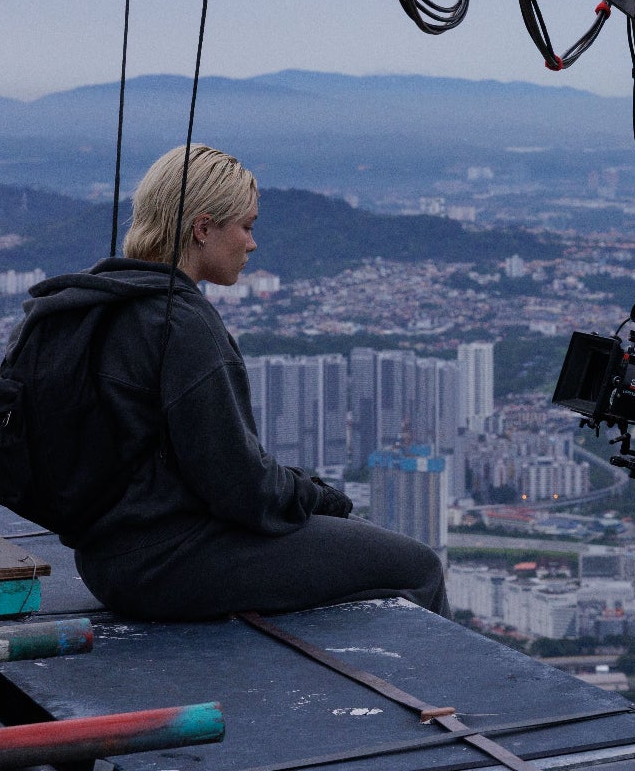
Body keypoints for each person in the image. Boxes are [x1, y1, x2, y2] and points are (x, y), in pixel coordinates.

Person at [24, 144, 445, 620]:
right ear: (203, 228)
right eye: (245, 227)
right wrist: (319, 496)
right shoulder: (180, 325)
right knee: (417, 567)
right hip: (170, 565)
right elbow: (240, 486)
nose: (252, 244)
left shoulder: (90, 304)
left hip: (103, 561)